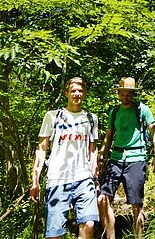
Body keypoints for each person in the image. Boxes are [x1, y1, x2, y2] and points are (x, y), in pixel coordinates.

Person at [30, 77, 99, 239]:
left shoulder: (91, 119)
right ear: (67, 93)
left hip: (84, 178)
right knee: (55, 234)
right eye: (73, 91)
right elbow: (41, 149)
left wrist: (95, 176)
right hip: (57, 179)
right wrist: (36, 180)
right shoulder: (53, 117)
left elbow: (92, 150)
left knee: (89, 224)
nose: (77, 94)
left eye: (80, 91)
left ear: (85, 94)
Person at [98, 77, 155, 238]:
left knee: (136, 205)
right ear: (118, 93)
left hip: (136, 158)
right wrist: (100, 157)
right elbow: (109, 137)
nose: (125, 98)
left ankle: (139, 236)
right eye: (123, 94)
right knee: (103, 200)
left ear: (133, 95)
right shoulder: (114, 112)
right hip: (116, 158)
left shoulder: (142, 110)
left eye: (129, 95)